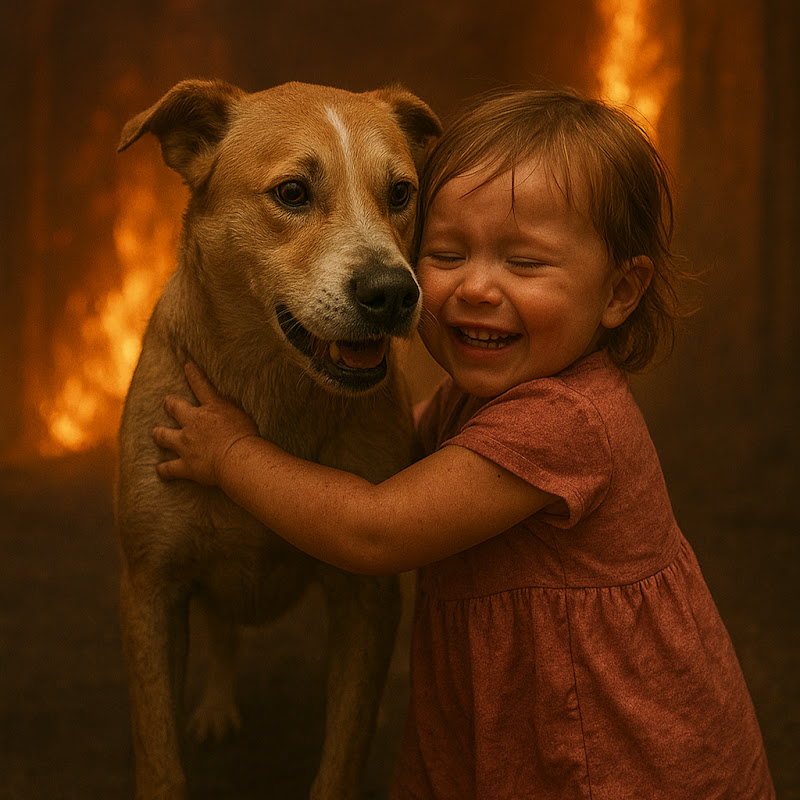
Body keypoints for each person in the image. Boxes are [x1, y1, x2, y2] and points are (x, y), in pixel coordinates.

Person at [152, 87, 775, 799]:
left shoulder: (565, 424)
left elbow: (374, 532)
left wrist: (231, 454)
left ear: (618, 292)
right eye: (445, 253)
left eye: (527, 263)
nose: (475, 289)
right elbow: (390, 462)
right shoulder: (471, 401)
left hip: (619, 756)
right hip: (523, 714)